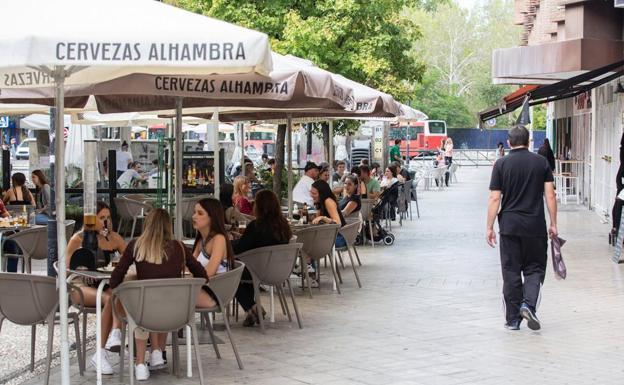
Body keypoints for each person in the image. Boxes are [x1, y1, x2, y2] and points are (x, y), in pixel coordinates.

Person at [109, 208, 215, 381]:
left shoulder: (136, 245)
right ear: (169, 226)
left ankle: (141, 364)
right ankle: (157, 352)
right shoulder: (179, 247)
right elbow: (203, 276)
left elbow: (114, 281)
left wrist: (135, 277)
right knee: (163, 299)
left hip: (145, 315)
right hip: (175, 316)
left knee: (140, 305)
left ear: (147, 224)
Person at [486, 125, 557, 331]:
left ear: (509, 142)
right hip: (535, 226)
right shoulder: (541, 162)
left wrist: (489, 227)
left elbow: (494, 197)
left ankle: (512, 320)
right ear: (528, 142)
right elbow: (550, 195)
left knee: (511, 271)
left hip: (509, 226)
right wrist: (553, 223)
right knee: (535, 268)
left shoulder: (501, 164)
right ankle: (529, 304)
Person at [66, 201, 126, 374]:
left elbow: (130, 259)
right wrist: (82, 267)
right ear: (91, 219)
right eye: (101, 218)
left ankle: (104, 349)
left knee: (120, 294)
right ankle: (112, 337)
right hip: (79, 284)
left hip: (104, 283)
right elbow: (65, 269)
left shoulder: (114, 238)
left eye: (108, 217)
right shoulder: (78, 239)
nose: (105, 222)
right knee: (110, 298)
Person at [232, 190, 292, 326]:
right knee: (247, 269)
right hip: (280, 270)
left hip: (259, 271)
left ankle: (252, 308)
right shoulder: (283, 225)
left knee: (230, 273)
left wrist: (227, 243)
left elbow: (241, 248)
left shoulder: (256, 226)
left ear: (258, 206)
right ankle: (251, 312)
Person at [191, 198, 234, 277]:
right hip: (201, 285)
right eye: (194, 212)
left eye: (200, 213)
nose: (194, 216)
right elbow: (190, 266)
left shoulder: (219, 239)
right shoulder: (201, 240)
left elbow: (209, 272)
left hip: (215, 287)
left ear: (212, 217)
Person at [311, 180, 346, 247]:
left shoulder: (328, 201)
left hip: (340, 237)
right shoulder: (320, 202)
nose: (311, 195)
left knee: (310, 243)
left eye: (314, 193)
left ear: (322, 193)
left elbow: (338, 223)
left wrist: (323, 218)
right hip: (331, 235)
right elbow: (316, 222)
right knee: (309, 241)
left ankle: (310, 257)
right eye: (311, 193)